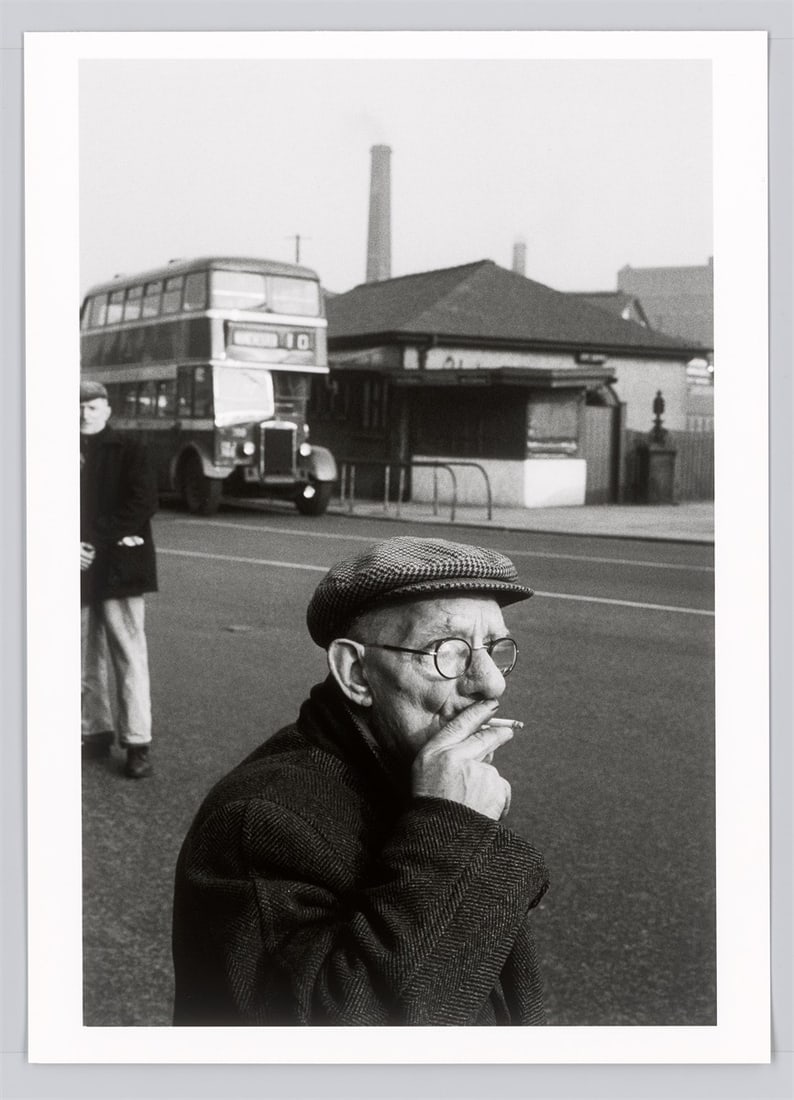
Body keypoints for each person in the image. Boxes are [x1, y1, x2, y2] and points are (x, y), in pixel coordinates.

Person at [172, 535, 549, 1025]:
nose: (491, 682)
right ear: (355, 673)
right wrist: (453, 829)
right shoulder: (258, 822)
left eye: (495, 647)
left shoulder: (420, 775)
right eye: (448, 650)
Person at [80, 379, 158, 778]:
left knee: (128, 654)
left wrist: (90, 539)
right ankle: (94, 732)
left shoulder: (130, 448)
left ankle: (137, 742)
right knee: (81, 656)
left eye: (92, 407)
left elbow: (143, 502)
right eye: (78, 407)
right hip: (79, 565)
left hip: (118, 566)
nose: (83, 414)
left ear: (107, 410)